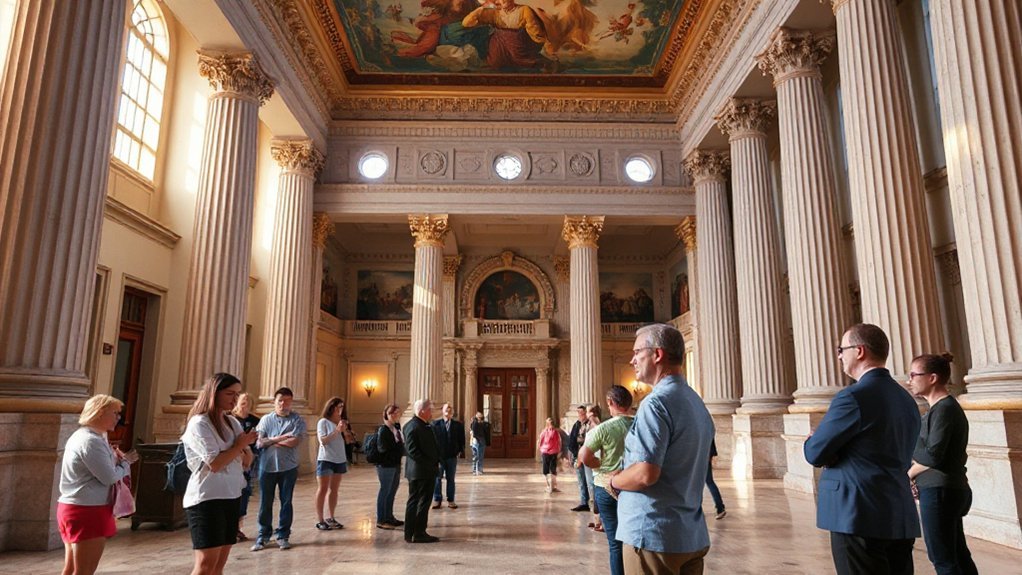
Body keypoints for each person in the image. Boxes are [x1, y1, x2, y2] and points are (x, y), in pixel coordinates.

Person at [804, 323, 921, 575]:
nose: (838, 356)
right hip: (898, 512)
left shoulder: (853, 396)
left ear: (859, 351)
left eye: (841, 349)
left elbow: (815, 452)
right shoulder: (906, 399)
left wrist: (814, 440)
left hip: (858, 514)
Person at [608, 323, 714, 575]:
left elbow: (646, 473)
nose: (632, 359)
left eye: (637, 353)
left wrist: (614, 481)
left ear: (657, 355)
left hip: (653, 535)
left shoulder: (655, 403)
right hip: (690, 534)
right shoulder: (695, 401)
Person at [907, 353, 978, 575]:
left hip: (941, 492)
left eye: (913, 375)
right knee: (957, 554)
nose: (909, 380)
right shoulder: (937, 409)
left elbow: (934, 455)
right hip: (943, 490)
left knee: (943, 559)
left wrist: (908, 474)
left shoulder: (945, 408)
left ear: (932, 378)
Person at [181, 373, 256, 575]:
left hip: (231, 494)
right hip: (207, 498)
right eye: (230, 393)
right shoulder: (200, 423)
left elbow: (247, 460)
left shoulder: (232, 422)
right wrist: (240, 446)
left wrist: (243, 450)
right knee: (206, 565)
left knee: (219, 565)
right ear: (215, 393)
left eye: (237, 394)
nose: (235, 399)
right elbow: (215, 463)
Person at [58, 394, 137, 575]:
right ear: (100, 413)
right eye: (115, 413)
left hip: (78, 506)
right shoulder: (91, 441)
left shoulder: (88, 437)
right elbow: (109, 477)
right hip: (88, 510)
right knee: (84, 571)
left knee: (71, 569)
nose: (118, 418)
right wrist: (126, 464)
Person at [579, 385, 634, 575]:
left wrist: (598, 463)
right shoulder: (640, 424)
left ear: (610, 402)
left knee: (615, 542)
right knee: (634, 539)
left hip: (605, 486)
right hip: (635, 485)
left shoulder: (602, 429)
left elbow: (584, 456)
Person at [252, 387, 306, 551]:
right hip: (267, 467)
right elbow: (260, 443)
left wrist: (271, 440)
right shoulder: (266, 420)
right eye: (280, 401)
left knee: (286, 502)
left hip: (288, 467)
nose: (284, 404)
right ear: (274, 402)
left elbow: (294, 442)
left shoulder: (297, 420)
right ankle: (263, 535)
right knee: (265, 502)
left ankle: (283, 535)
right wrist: (281, 437)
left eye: (287, 401)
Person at [404, 399, 441, 543]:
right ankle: (416, 533)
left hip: (423, 470)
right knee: (421, 501)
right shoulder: (413, 426)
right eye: (430, 410)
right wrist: (431, 463)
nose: (431, 413)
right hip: (421, 471)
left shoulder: (422, 425)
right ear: (422, 411)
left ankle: (414, 532)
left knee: (419, 501)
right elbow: (412, 451)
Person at [314, 397, 347, 531]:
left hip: (339, 459)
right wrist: (337, 431)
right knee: (323, 489)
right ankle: (320, 519)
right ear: (331, 407)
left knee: (334, 490)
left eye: (342, 407)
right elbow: (324, 440)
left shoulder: (339, 422)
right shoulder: (323, 422)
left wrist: (347, 432)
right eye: (338, 406)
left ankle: (331, 517)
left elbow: (348, 441)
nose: (340, 410)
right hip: (326, 459)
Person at [230, 392, 259, 542]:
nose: (245, 403)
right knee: (232, 493)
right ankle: (230, 527)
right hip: (232, 460)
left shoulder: (255, 420)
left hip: (249, 462)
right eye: (243, 400)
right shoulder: (230, 419)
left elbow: (257, 440)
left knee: (245, 493)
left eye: (248, 401)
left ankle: (239, 527)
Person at [375, 403, 405, 530]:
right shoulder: (384, 430)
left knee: (392, 492)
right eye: (392, 413)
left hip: (395, 463)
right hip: (386, 465)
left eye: (397, 413)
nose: (395, 415)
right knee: (385, 491)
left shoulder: (396, 428)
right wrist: (399, 448)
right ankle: (381, 519)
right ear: (386, 415)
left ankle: (389, 517)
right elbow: (383, 448)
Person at [431, 402, 465, 509]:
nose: (448, 410)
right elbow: (432, 441)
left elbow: (461, 440)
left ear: (453, 412)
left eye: (450, 408)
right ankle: (437, 499)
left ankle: (451, 500)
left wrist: (460, 451)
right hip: (439, 457)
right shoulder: (435, 425)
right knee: (437, 479)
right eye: (446, 408)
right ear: (442, 410)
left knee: (451, 479)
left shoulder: (458, 425)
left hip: (451, 456)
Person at [579, 403, 602, 531]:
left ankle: (600, 521)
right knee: (591, 488)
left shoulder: (598, 427)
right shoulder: (588, 426)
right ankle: (596, 520)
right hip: (589, 459)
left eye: (587, 412)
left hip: (595, 460)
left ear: (592, 413)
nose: (586, 414)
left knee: (595, 489)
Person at [567, 404, 590, 512]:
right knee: (581, 481)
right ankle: (584, 502)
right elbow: (571, 440)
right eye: (579, 413)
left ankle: (593, 503)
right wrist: (574, 455)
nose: (580, 415)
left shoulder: (590, 424)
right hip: (578, 456)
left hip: (588, 456)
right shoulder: (576, 425)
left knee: (590, 481)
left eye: (582, 413)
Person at [537, 417, 562, 493]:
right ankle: (553, 487)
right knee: (553, 469)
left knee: (546, 470)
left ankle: (549, 486)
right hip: (554, 452)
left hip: (545, 452)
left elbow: (539, 441)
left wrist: (540, 449)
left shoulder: (544, 432)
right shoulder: (556, 432)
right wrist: (559, 451)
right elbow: (559, 442)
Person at [704, 439, 726, 520]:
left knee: (697, 484)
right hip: (705, 457)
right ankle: (720, 508)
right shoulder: (707, 426)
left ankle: (720, 508)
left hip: (699, 457)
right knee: (710, 482)